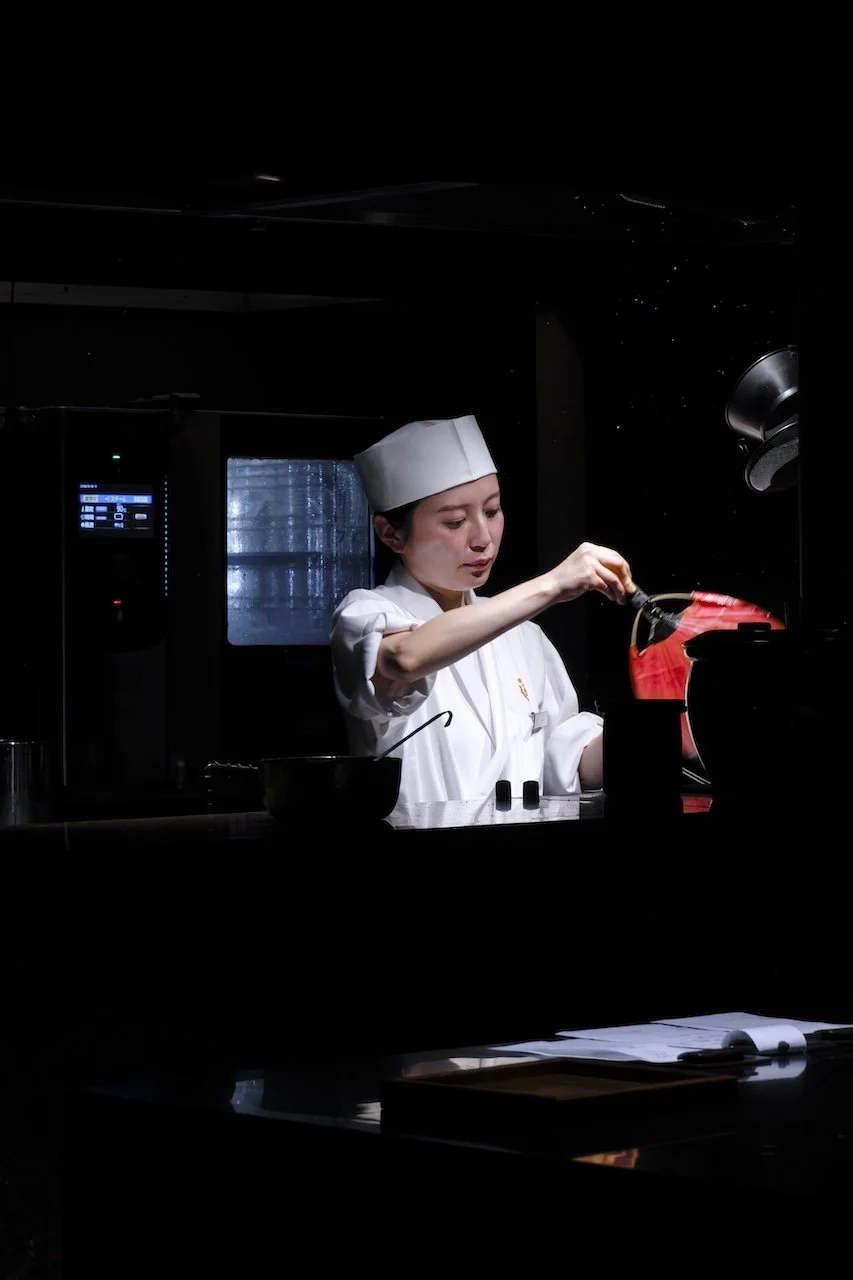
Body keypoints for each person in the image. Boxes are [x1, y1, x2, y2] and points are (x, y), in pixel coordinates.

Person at [330, 415, 635, 807]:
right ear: (391, 534)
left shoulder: (523, 635)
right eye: (455, 521)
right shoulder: (365, 616)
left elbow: (567, 765)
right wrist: (553, 584)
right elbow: (406, 658)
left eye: (492, 511)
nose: (483, 539)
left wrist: (661, 731)